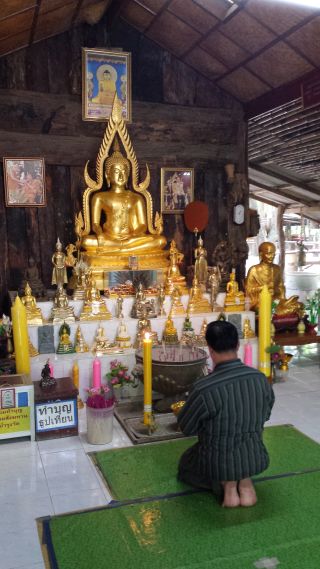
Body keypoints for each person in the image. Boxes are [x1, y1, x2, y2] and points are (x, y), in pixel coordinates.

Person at [177, 320, 274, 508]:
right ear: (237, 345)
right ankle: (244, 481)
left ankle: (228, 486)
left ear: (210, 348)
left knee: (186, 464)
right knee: (240, 441)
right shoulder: (260, 379)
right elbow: (266, 414)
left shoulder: (204, 388)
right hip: (255, 457)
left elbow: (186, 428)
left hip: (217, 462)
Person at [82, 141, 167, 253]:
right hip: (109, 239)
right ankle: (124, 249)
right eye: (117, 171)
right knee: (87, 241)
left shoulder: (136, 198)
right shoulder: (99, 197)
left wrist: (133, 235)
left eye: (124, 171)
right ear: (107, 175)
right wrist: (100, 234)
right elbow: (95, 224)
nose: (121, 175)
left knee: (160, 240)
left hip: (131, 239)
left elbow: (142, 225)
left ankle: (120, 249)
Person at [246, 241, 301, 314]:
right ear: (261, 254)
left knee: (299, 305)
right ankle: (279, 312)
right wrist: (264, 287)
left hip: (276, 299)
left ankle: (281, 310)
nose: (272, 256)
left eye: (273, 253)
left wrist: (282, 298)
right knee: (264, 310)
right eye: (269, 253)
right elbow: (249, 290)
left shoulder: (277, 269)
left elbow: (281, 287)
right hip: (260, 302)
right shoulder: (254, 270)